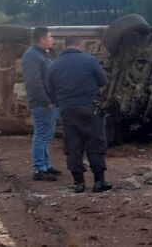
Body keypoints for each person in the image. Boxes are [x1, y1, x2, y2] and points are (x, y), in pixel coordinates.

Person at [46, 36, 111, 194]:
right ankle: (99, 181)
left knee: (73, 145)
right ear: (79, 45)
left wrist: (60, 103)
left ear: (65, 46)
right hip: (89, 107)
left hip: (67, 110)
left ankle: (78, 183)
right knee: (94, 142)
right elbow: (103, 81)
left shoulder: (54, 65)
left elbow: (49, 90)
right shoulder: (89, 60)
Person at [21, 26, 60, 182]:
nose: (52, 40)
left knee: (47, 135)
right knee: (41, 135)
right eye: (50, 37)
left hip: (50, 101)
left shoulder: (43, 54)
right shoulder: (32, 56)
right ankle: (39, 169)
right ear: (42, 39)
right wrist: (46, 101)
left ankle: (46, 165)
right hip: (43, 103)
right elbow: (34, 82)